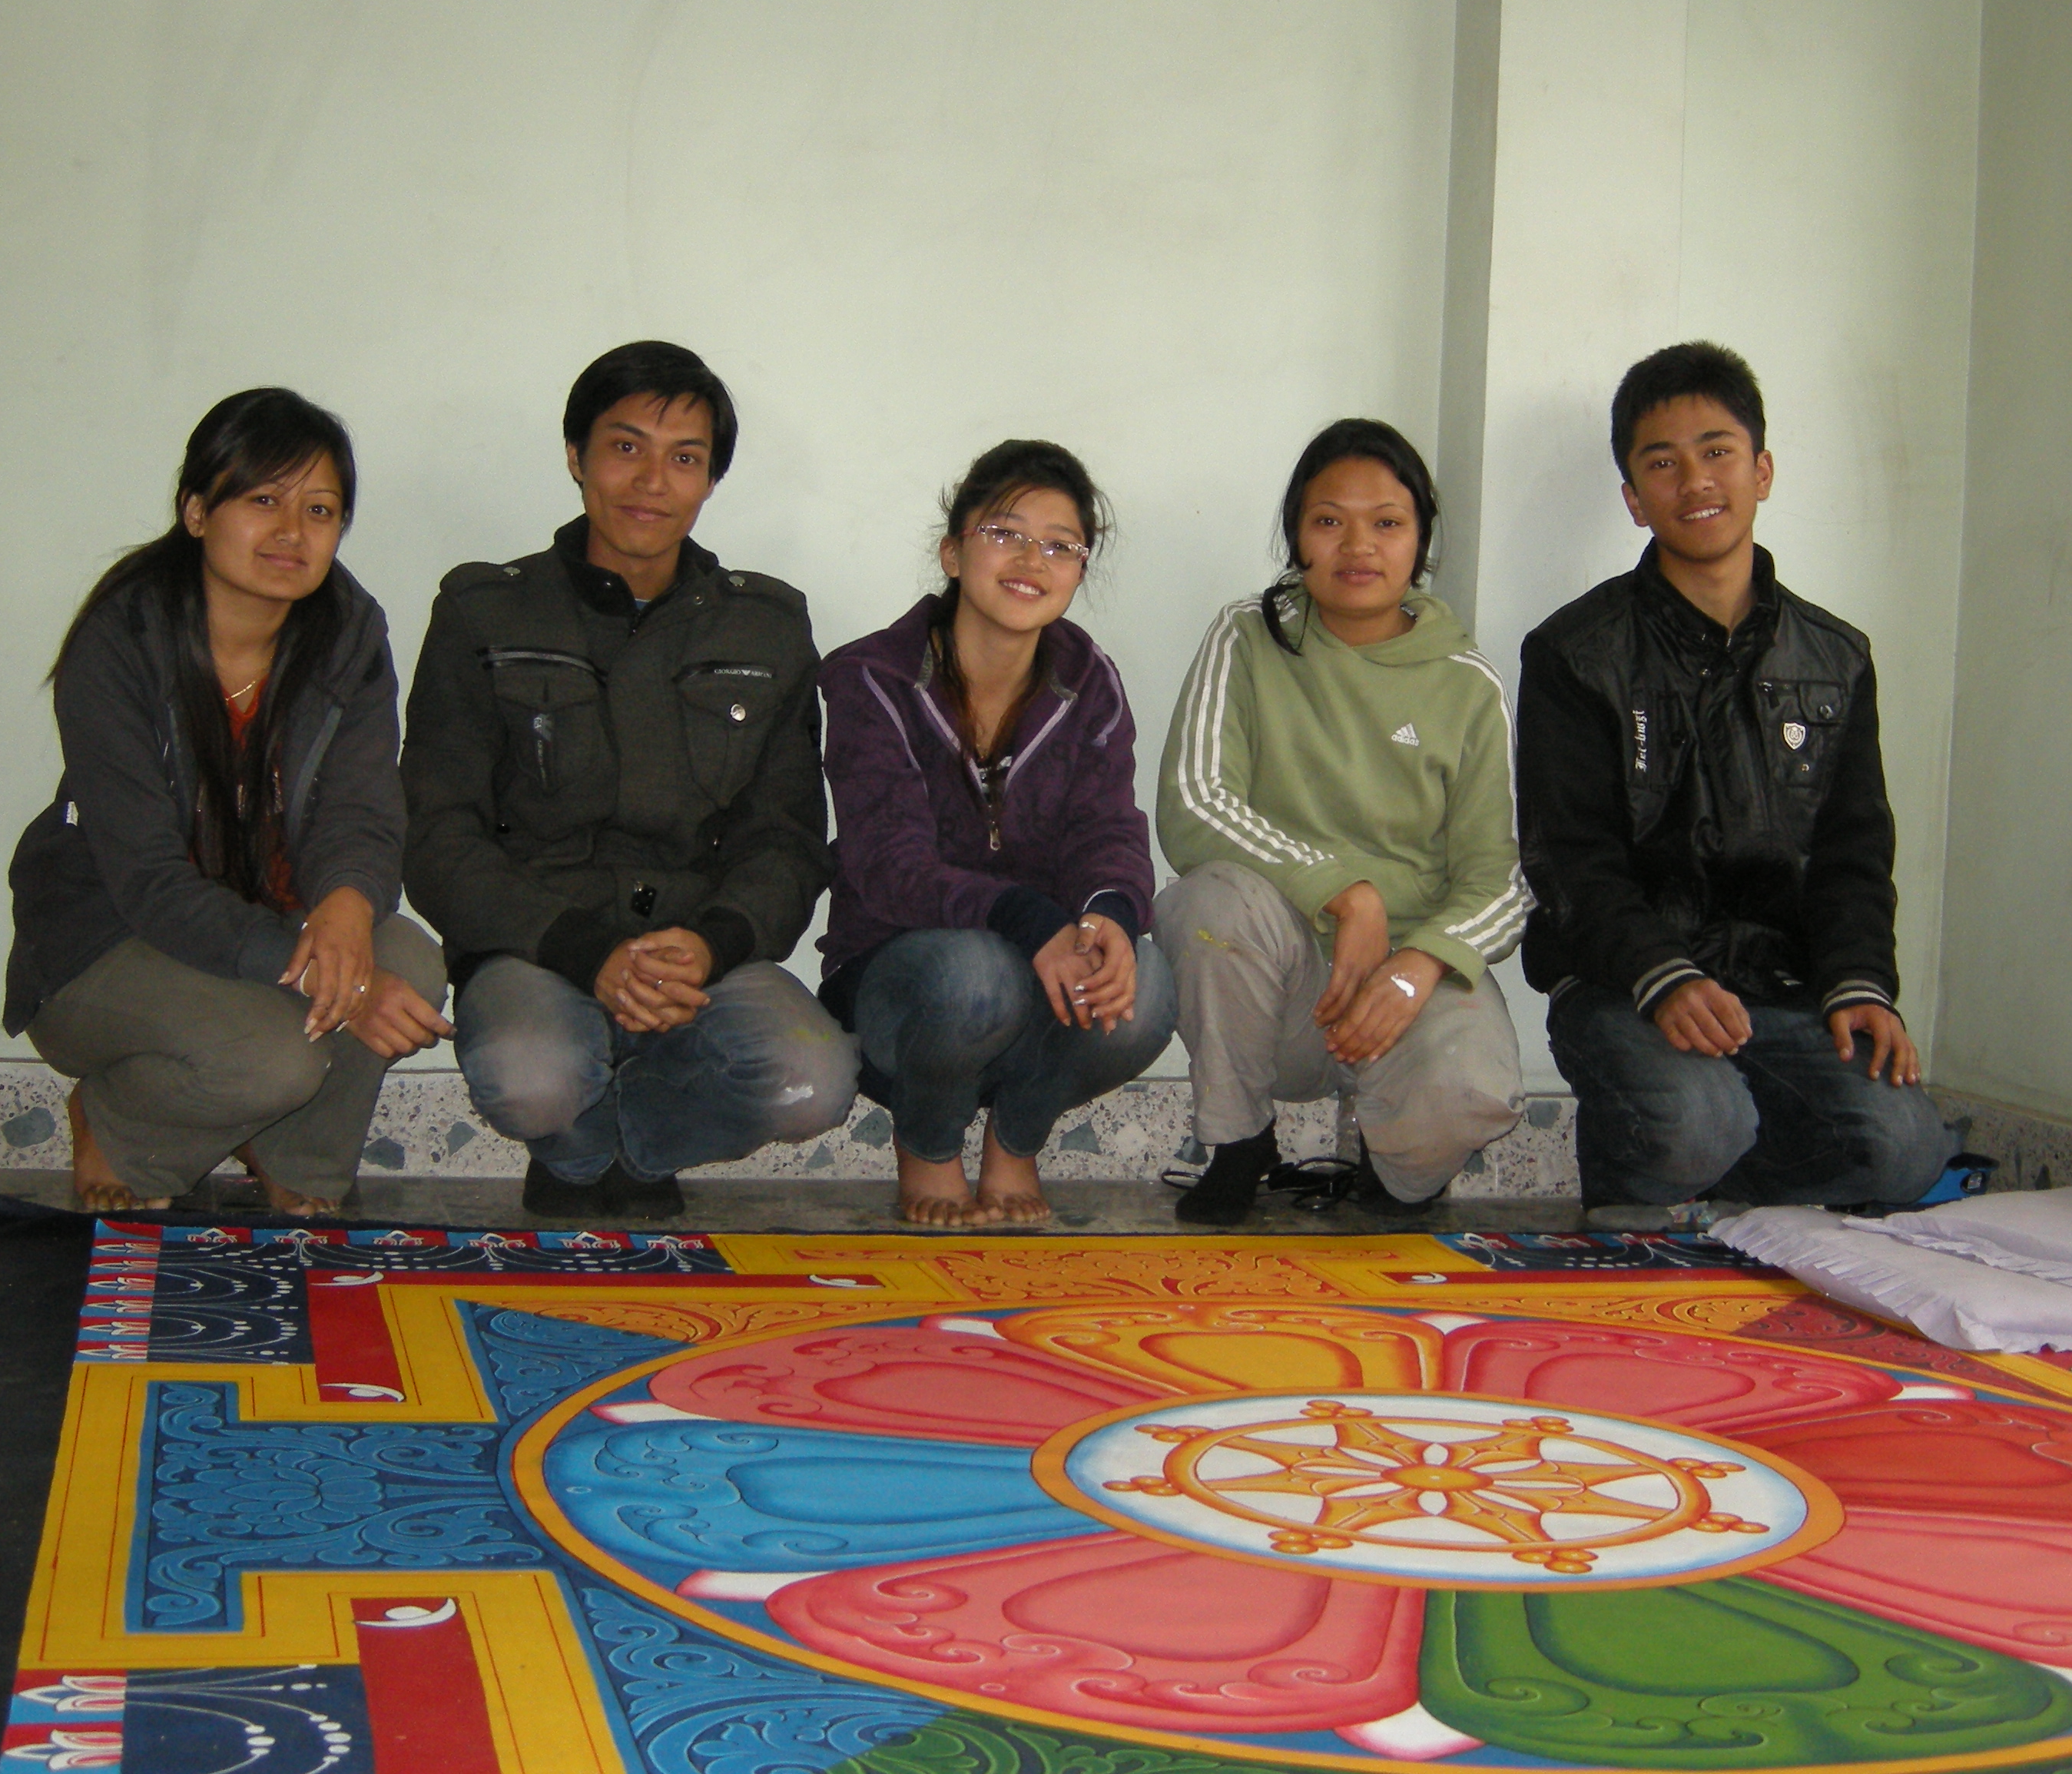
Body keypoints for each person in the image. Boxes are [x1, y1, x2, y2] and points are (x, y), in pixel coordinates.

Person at [400, 340, 856, 1222]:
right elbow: (439, 832)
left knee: (813, 1085)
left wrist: (716, 942)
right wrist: (580, 951)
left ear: (711, 481)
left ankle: (616, 1145)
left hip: (699, 952)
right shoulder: (483, 611)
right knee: (530, 1082)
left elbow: (790, 837)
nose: (652, 480)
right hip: (538, 943)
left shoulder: (767, 627)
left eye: (684, 458)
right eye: (625, 447)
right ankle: (572, 1132)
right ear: (575, 457)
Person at [1517, 340, 1954, 1222]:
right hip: (1625, 985)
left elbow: (1853, 853)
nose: (1695, 480)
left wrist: (1861, 986)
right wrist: (1663, 977)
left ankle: (1725, 1208)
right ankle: (1640, 1194)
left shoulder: (1836, 658)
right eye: (1662, 463)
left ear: (1761, 470)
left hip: (1785, 991)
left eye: (1716, 452)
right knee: (1695, 1123)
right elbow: (1570, 861)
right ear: (1635, 501)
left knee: (1907, 1150)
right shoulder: (1574, 652)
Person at [6, 387, 450, 1217]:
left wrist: (349, 912)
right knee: (270, 1059)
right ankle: (117, 1125)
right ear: (197, 510)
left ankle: (296, 1159)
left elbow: (361, 808)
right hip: (112, 939)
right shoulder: (123, 640)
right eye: (263, 500)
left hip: (267, 918)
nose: (292, 531)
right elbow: (148, 883)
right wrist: (341, 984)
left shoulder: (349, 631)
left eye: (320, 509)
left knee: (411, 962)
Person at [1154, 418, 1527, 1226]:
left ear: (1420, 539)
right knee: (1207, 904)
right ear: (1296, 536)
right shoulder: (1247, 636)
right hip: (1281, 980)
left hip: (1406, 978)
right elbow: (1195, 801)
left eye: (1387, 523)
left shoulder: (1467, 684)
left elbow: (1497, 879)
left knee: (1475, 1095)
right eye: (1329, 521)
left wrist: (1416, 966)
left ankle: (1393, 1173)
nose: (1358, 546)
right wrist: (1345, 894)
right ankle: (1240, 1141)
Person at [818, 442, 1176, 1227]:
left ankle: (1015, 1143)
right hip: (900, 986)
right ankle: (928, 1142)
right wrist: (1034, 922)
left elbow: (1108, 825)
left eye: (1060, 545)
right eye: (1005, 533)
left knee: (1144, 987)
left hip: (1038, 973)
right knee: (974, 974)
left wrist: (1108, 916)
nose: (1031, 560)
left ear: (1081, 570)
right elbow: (889, 865)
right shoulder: (870, 677)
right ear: (952, 552)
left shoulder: (1089, 680)